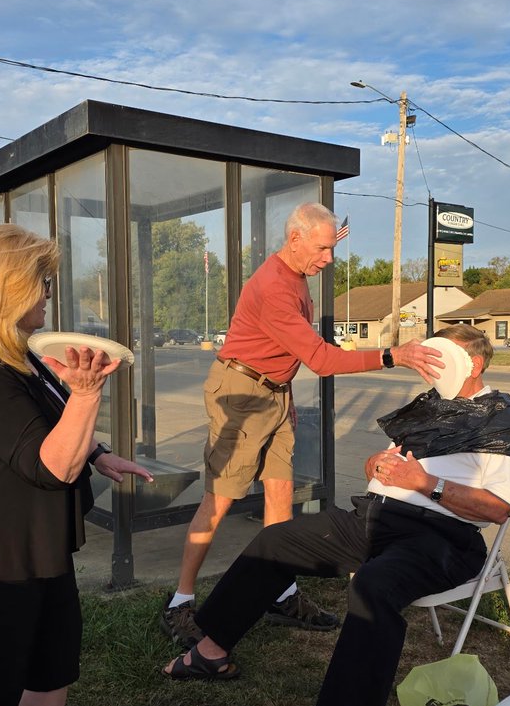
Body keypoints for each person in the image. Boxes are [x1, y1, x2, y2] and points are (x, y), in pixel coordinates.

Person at [162, 324, 510, 706]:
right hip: (374, 519)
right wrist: (378, 468)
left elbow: (496, 508)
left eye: (439, 355)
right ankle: (212, 650)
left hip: (442, 538)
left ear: (475, 363)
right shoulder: (432, 408)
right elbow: (383, 470)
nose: (428, 362)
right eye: (426, 355)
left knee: (376, 587)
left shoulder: (502, 421)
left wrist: (427, 484)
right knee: (277, 539)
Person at [161, 202, 445, 647]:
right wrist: (394, 355)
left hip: (273, 392)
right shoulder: (274, 287)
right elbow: (320, 359)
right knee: (219, 499)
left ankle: (280, 591)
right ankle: (180, 601)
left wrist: (283, 394)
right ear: (295, 240)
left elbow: (291, 353)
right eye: (324, 248)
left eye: (332, 247)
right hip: (241, 394)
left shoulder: (298, 277)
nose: (330, 258)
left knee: (279, 494)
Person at [0, 223, 153, 706]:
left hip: (37, 548)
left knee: (52, 668)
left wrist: (97, 453)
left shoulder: (21, 354)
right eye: (41, 281)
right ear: (5, 286)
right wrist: (88, 393)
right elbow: (49, 466)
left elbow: (47, 423)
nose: (50, 293)